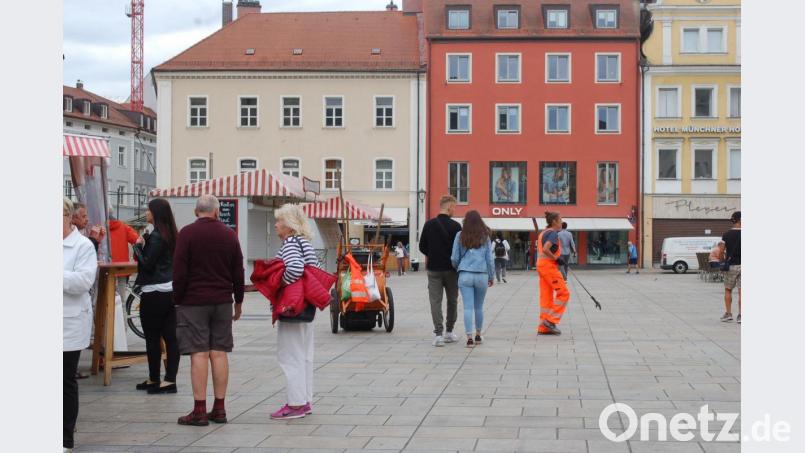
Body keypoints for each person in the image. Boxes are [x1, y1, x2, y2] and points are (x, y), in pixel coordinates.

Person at [173, 195, 245, 426]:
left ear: (196, 212)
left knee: (199, 353)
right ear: (216, 212)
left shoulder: (186, 234)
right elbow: (238, 271)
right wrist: (239, 301)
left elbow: (179, 271)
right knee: (219, 352)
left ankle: (199, 411)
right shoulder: (229, 235)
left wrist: (178, 298)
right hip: (222, 302)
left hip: (193, 302)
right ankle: (220, 409)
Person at [270, 204, 321, 420]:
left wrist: (280, 283)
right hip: (306, 307)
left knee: (290, 356)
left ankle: (296, 404)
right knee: (304, 356)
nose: (276, 225)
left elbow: (295, 268)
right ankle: (304, 400)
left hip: (292, 306)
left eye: (279, 221)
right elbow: (314, 267)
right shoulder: (305, 242)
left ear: (289, 225)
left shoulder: (290, 242)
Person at [133, 198, 181, 394]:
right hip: (169, 289)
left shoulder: (156, 236)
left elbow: (147, 264)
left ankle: (155, 378)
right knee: (170, 337)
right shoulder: (171, 234)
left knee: (152, 337)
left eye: (149, 210)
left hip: (154, 291)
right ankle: (170, 379)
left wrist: (137, 245)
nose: (146, 213)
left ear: (156, 213)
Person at [63, 197, 98, 453]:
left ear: (66, 217)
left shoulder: (83, 246)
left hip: (69, 323)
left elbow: (83, 282)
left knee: (64, 380)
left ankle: (65, 439)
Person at [418, 195, 462, 347]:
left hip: (434, 269)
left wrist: (433, 255)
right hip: (451, 270)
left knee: (435, 301)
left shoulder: (429, 224)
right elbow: (460, 250)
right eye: (454, 207)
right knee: (452, 300)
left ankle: (438, 334)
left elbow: (422, 246)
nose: (454, 210)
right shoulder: (456, 227)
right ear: (449, 207)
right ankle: (449, 332)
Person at [451, 211, 495, 348]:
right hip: (481, 274)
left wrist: (460, 268)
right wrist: (491, 275)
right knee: (479, 307)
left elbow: (454, 258)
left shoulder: (460, 235)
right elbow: (489, 259)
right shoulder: (485, 236)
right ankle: (478, 335)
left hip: (465, 275)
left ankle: (469, 337)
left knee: (467, 307)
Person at [536, 211, 571, 335]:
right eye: (560, 220)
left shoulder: (544, 233)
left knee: (546, 297)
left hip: (541, 265)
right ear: (554, 221)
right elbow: (546, 249)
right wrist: (557, 258)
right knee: (564, 293)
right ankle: (550, 321)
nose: (562, 222)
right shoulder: (553, 234)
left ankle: (543, 327)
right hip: (549, 267)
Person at [108, 209, 141, 305]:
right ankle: (122, 320)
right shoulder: (123, 227)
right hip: (122, 270)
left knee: (105, 301)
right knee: (121, 301)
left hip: (105, 270)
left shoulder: (100, 228)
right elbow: (137, 240)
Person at [721, 211, 741, 323]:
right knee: (741, 291)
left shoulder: (727, 234)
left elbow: (721, 251)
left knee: (728, 289)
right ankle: (741, 315)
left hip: (732, 266)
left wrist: (721, 261)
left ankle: (728, 314)